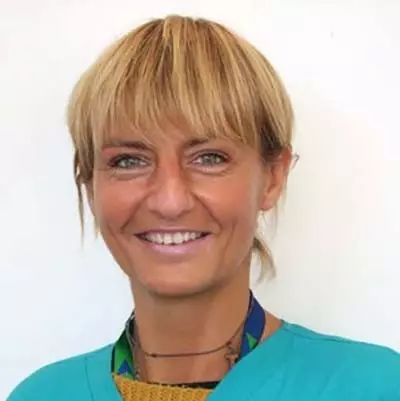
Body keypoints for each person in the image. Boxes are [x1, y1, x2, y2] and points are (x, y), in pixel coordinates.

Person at [7, 15, 399, 401]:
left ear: (273, 177)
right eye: (128, 161)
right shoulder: (41, 396)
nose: (170, 201)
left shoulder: (376, 388)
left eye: (209, 158)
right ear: (89, 184)